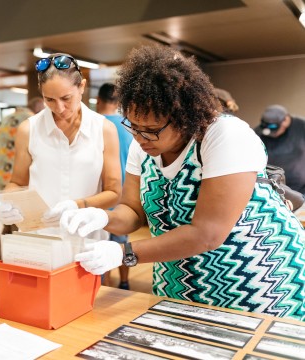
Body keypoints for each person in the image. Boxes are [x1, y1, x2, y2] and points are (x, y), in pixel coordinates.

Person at [61, 45, 305, 321]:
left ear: (185, 117)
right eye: (133, 126)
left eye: (152, 130)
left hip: (257, 283)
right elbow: (133, 211)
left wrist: (124, 253)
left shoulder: (224, 136)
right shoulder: (144, 146)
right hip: (182, 283)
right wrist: (102, 218)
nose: (140, 138)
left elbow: (207, 233)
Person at [0, 53, 121, 240]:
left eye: (66, 98)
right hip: (39, 236)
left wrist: (77, 205)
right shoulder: (29, 129)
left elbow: (114, 193)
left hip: (86, 238)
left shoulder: (104, 129)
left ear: (82, 87)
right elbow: (18, 182)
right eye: (49, 100)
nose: (59, 108)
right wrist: (5, 201)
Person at [96, 83, 133, 290]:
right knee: (122, 239)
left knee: (102, 241)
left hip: (101, 193)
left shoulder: (95, 125)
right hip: (126, 192)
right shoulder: (129, 125)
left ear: (98, 100)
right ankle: (125, 282)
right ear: (118, 102)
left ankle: (105, 286)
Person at [0, 97, 45, 192]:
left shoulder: (3, 120)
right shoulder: (33, 121)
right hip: (21, 179)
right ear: (38, 108)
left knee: (0, 205)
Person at [254, 105, 305, 194]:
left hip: (301, 188)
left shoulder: (301, 126)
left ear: (285, 120)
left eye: (274, 128)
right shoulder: (258, 133)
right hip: (274, 187)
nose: (270, 133)